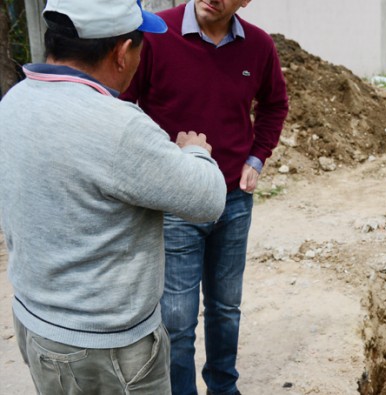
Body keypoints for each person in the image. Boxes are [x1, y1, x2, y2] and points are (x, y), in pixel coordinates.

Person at [0, 0, 227, 394]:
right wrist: (195, 152)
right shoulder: (117, 126)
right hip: (107, 347)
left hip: (37, 324)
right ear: (122, 52)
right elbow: (207, 199)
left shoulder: (16, 101)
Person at [121, 0, 289, 394]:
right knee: (177, 321)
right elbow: (123, 107)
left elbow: (274, 104)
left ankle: (223, 387)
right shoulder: (156, 33)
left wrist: (257, 157)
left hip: (233, 199)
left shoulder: (260, 46)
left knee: (226, 308)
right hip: (174, 202)